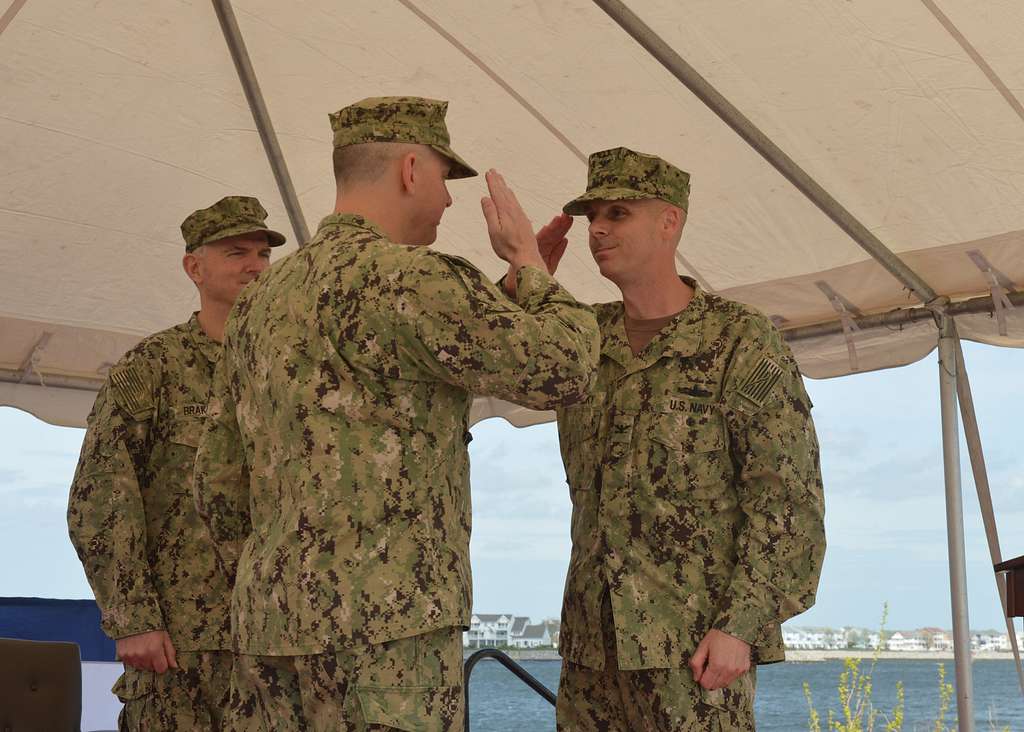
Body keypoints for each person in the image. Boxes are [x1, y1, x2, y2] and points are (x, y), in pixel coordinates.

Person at [193, 96, 600, 731]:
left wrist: (274, 580)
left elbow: (216, 479)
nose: (448, 200)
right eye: (443, 178)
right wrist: (529, 265)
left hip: (271, 633)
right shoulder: (410, 278)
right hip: (389, 639)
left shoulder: (260, 302)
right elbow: (565, 367)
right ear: (411, 169)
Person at [549, 147, 826, 731]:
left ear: (668, 221)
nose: (597, 228)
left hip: (692, 651)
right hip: (592, 655)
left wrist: (741, 626)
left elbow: (786, 500)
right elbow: (481, 366)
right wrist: (526, 282)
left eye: (618, 213)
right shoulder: (581, 339)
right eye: (592, 215)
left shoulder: (737, 339)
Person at [67, 196, 285, 730]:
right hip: (180, 647)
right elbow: (100, 499)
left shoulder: (290, 370)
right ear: (195, 267)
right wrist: (132, 619)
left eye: (262, 253)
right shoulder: (154, 367)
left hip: (281, 641)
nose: (255, 265)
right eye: (237, 252)